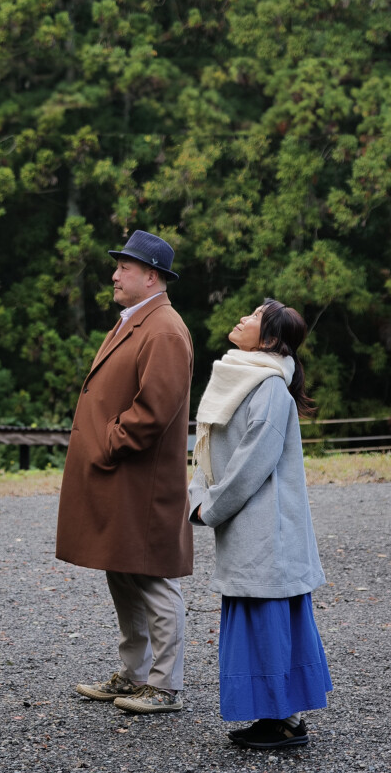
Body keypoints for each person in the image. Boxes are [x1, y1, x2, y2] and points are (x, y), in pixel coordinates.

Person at [56, 230, 194, 714]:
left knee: (153, 576)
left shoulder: (164, 329)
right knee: (122, 572)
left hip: (141, 480)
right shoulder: (136, 321)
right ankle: (135, 675)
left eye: (125, 268)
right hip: (122, 476)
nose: (115, 275)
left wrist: (109, 441)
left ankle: (164, 685)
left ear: (151, 277)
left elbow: (154, 411)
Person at [188, 298, 331, 750]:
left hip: (269, 529)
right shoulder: (235, 375)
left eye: (254, 316)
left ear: (269, 339)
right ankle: (276, 717)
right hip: (246, 525)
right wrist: (197, 495)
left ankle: (286, 721)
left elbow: (253, 463)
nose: (242, 317)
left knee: (269, 618)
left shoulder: (268, 386)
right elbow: (206, 445)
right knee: (255, 616)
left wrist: (208, 507)